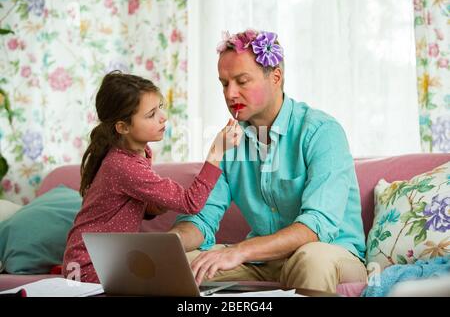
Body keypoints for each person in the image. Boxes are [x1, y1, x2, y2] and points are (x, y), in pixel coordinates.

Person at [169, 29, 367, 293]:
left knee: (312, 259)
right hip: (263, 259)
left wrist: (240, 250)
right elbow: (203, 219)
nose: (230, 94)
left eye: (242, 81)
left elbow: (316, 227)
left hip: (332, 252)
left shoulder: (322, 132)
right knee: (179, 266)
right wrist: (169, 243)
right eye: (224, 83)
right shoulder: (230, 143)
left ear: (275, 77)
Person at [62, 71, 242, 283]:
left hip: (105, 260)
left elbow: (121, 206)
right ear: (123, 127)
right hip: (88, 265)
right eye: (151, 115)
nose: (163, 117)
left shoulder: (138, 152)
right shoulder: (123, 165)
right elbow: (191, 203)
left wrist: (152, 207)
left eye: (160, 108)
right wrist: (217, 151)